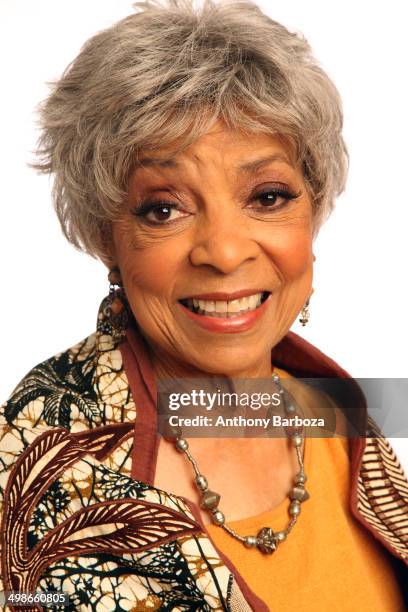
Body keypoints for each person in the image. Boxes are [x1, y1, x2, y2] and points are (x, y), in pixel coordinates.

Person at [0, 1, 407, 610]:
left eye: (267, 197)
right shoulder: (37, 470)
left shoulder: (340, 419)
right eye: (164, 208)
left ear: (313, 213)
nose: (222, 251)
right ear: (107, 236)